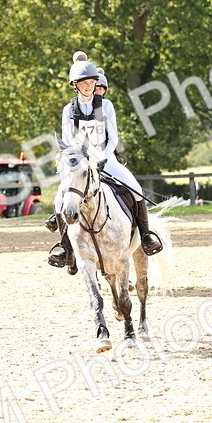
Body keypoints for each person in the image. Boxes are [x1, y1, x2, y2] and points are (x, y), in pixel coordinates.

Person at [47, 51, 163, 269]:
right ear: (76, 85)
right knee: (59, 199)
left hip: (105, 158)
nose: (89, 86)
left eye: (92, 82)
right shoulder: (68, 110)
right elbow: (69, 141)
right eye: (84, 83)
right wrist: (82, 160)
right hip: (81, 162)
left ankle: (146, 235)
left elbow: (114, 137)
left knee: (134, 187)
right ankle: (65, 248)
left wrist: (102, 157)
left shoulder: (106, 106)